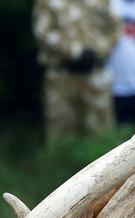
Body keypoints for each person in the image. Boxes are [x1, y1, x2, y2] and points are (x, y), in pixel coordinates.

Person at [32, 0, 121, 140]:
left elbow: (115, 28)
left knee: (102, 137)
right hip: (62, 77)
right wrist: (74, 52)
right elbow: (42, 32)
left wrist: (98, 51)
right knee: (61, 136)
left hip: (95, 76)